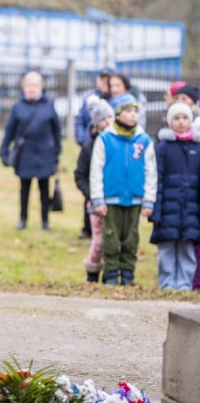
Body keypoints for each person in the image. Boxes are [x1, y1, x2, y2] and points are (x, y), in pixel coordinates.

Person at [90, 93, 156, 286]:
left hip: (135, 198)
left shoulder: (143, 140)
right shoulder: (105, 139)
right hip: (111, 198)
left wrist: (149, 199)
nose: (133, 115)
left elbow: (151, 171)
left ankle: (128, 273)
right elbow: (96, 170)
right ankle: (111, 273)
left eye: (136, 111)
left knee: (131, 237)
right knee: (110, 236)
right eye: (128, 111)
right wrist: (98, 199)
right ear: (117, 114)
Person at [0, 71, 62, 231]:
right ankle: (22, 219)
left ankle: (45, 221)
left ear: (41, 87)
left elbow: (57, 131)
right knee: (24, 188)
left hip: (44, 154)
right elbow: (9, 131)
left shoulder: (49, 105)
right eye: (28, 85)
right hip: (24, 154)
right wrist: (4, 151)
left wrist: (56, 151)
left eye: (35, 85)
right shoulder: (17, 107)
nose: (31, 88)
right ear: (23, 87)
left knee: (44, 189)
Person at [150, 102, 200, 290]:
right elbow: (157, 179)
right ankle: (167, 283)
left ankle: (184, 284)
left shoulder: (197, 147)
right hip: (167, 209)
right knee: (167, 248)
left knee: (187, 249)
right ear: (170, 122)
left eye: (185, 117)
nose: (181, 122)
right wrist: (156, 209)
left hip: (191, 209)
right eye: (176, 118)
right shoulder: (163, 148)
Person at [73, 96, 114, 282]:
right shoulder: (89, 147)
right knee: (99, 241)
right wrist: (92, 195)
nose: (107, 123)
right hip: (96, 202)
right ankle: (92, 270)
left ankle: (111, 273)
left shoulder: (117, 144)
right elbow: (79, 175)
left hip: (115, 199)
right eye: (102, 120)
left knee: (113, 240)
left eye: (109, 118)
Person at [75, 68, 112, 239]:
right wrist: (84, 140)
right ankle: (87, 228)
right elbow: (80, 121)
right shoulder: (89, 146)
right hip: (89, 148)